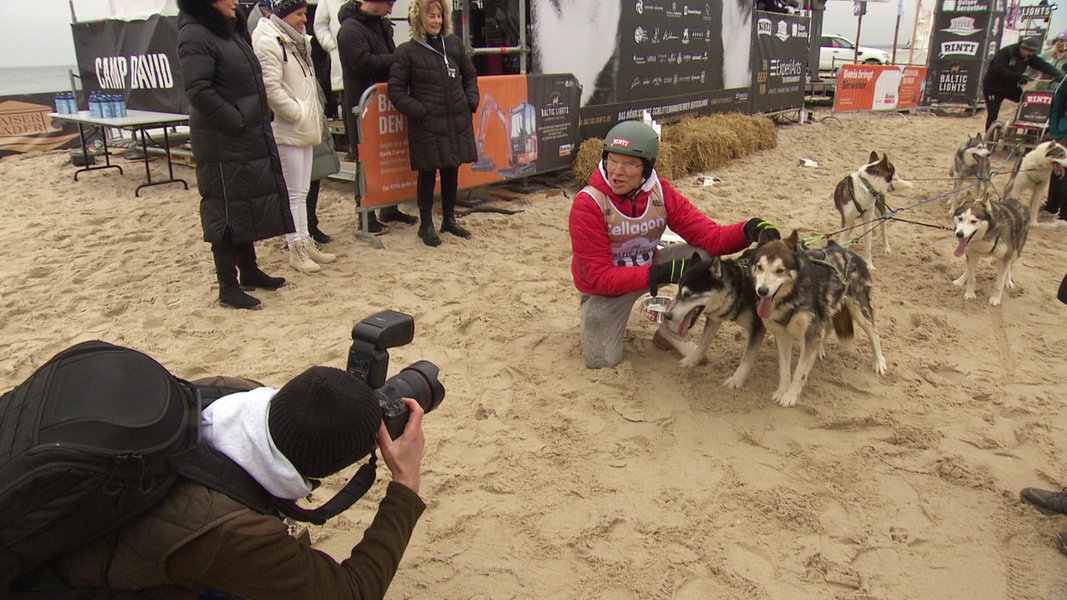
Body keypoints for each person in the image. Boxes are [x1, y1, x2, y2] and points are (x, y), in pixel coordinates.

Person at [27, 365, 426, 598]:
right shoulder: (234, 533)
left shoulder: (224, 395)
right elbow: (353, 592)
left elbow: (303, 417)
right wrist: (405, 484)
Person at [568, 120, 780, 369]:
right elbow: (597, 277)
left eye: (630, 164)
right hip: (605, 291)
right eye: (612, 161)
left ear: (647, 168)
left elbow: (709, 236)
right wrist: (660, 273)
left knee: (704, 256)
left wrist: (749, 229)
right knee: (602, 362)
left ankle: (670, 331)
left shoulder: (661, 192)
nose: (617, 171)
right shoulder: (588, 204)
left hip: (649, 266)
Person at [178, 0, 293, 310]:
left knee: (245, 202)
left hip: (243, 136)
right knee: (226, 208)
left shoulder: (228, 30)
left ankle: (250, 271)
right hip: (221, 140)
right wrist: (236, 119)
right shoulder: (196, 33)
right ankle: (227, 285)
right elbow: (198, 89)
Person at [252, 0, 338, 273]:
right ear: (284, 14)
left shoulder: (296, 41)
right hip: (287, 128)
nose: (304, 19)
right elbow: (270, 88)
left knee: (301, 191)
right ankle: (295, 248)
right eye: (300, 14)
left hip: (302, 126)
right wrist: (298, 113)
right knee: (292, 192)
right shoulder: (269, 41)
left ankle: (305, 240)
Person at [388, 0, 480, 247]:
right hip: (427, 123)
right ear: (420, 18)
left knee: (452, 169)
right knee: (427, 173)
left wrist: (471, 100)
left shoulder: (453, 44)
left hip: (455, 119)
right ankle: (425, 224)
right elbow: (396, 91)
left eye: (440, 15)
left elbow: (469, 74)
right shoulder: (407, 51)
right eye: (431, 16)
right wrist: (420, 111)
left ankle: (449, 219)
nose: (436, 21)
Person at [337, 0, 418, 232]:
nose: (391, 10)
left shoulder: (381, 25)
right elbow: (362, 63)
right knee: (365, 159)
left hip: (381, 103)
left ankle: (389, 208)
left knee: (385, 158)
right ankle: (366, 215)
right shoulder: (350, 30)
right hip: (361, 104)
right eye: (389, 4)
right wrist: (399, 58)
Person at [982, 36, 1064, 135]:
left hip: (1010, 87)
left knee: (1026, 101)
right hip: (993, 87)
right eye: (1027, 51)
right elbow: (998, 69)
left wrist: (1058, 74)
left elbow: (1042, 65)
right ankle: (989, 138)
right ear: (1022, 47)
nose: (1029, 54)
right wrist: (1019, 77)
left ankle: (1014, 126)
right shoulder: (1007, 52)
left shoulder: (1029, 56)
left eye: (1031, 52)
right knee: (993, 114)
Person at [314, 0, 347, 121]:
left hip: (361, 54)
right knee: (345, 99)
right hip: (338, 53)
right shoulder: (327, 1)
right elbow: (320, 25)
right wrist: (330, 45)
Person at [1044, 70, 1067, 228]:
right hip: (1062, 130)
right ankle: (1052, 207)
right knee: (1058, 168)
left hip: (1063, 130)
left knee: (1063, 171)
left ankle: (1063, 215)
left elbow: (1058, 105)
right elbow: (1057, 104)